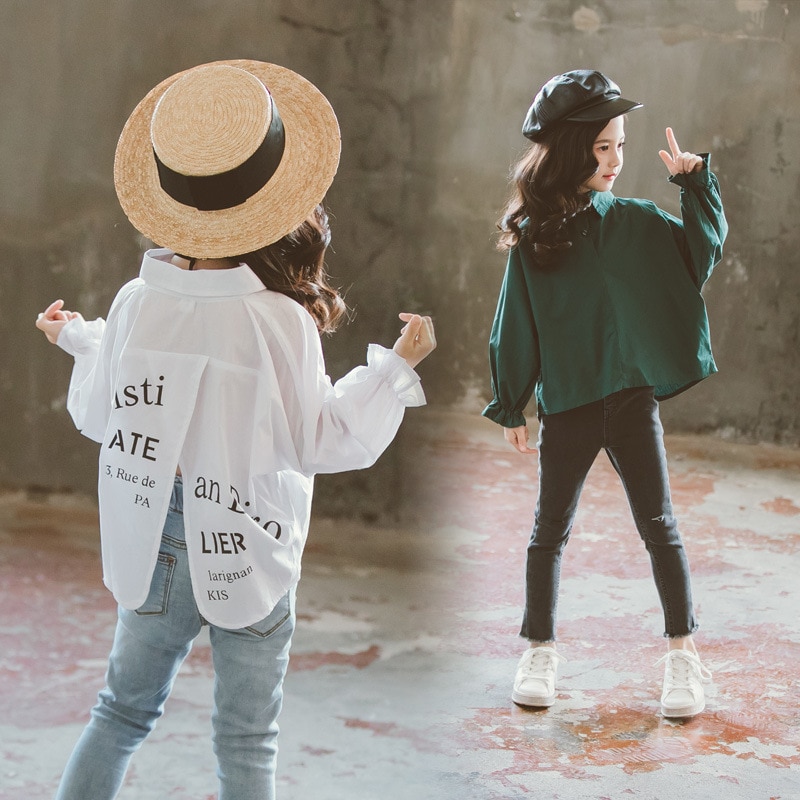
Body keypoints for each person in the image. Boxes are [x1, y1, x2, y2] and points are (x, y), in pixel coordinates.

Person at [35, 60, 435, 800]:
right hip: (246, 533)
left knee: (120, 712)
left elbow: (106, 410)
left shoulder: (135, 300)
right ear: (270, 193)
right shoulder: (277, 319)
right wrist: (393, 371)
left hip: (152, 528)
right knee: (248, 739)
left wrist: (78, 341)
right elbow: (320, 438)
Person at [482, 70, 725, 718]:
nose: (616, 160)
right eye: (602, 148)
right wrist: (510, 401)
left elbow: (699, 257)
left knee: (660, 526)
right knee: (548, 532)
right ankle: (539, 650)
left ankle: (683, 656)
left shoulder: (638, 221)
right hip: (567, 403)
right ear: (571, 151)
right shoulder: (536, 238)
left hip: (631, 399)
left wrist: (696, 185)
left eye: (620, 146)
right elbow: (515, 321)